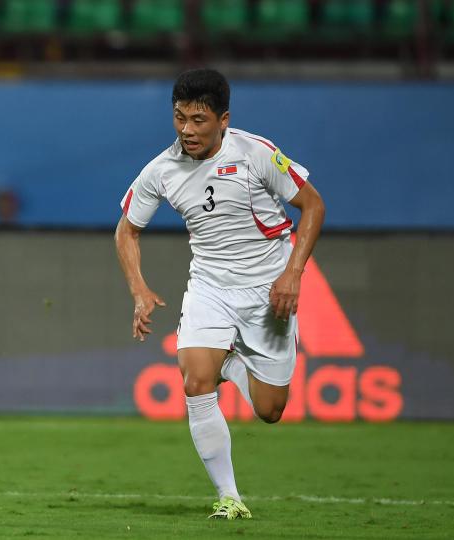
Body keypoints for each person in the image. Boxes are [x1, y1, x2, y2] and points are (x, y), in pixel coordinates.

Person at [114, 68, 325, 519]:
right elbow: (127, 230)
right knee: (193, 382)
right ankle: (230, 496)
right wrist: (139, 289)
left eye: (198, 120)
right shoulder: (162, 170)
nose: (187, 130)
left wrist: (293, 273)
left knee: (270, 410)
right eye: (179, 118)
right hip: (210, 286)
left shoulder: (257, 153)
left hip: (268, 291)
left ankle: (226, 362)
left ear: (223, 118)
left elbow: (313, 206)